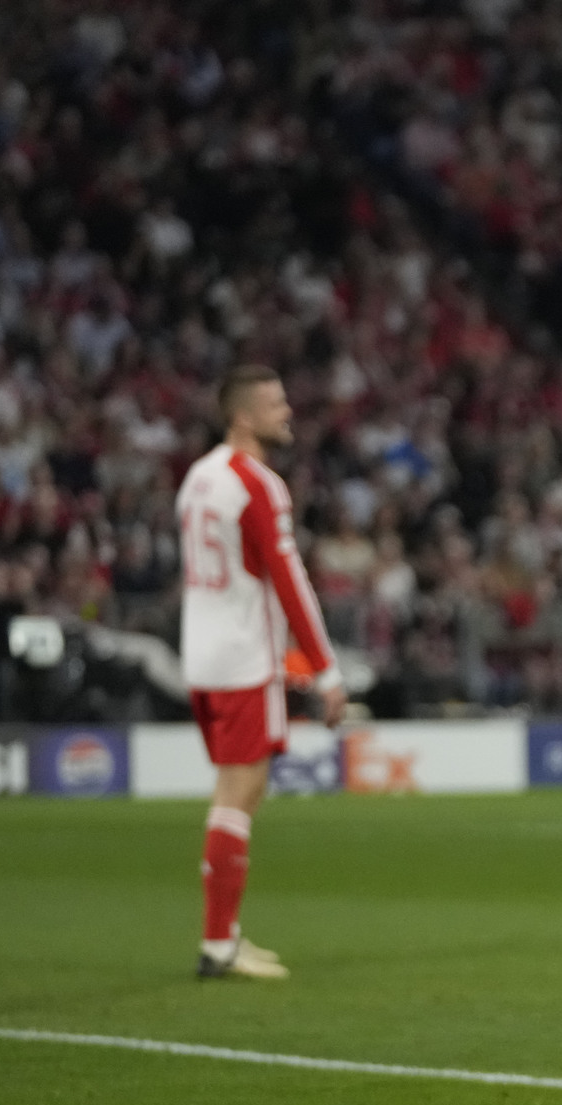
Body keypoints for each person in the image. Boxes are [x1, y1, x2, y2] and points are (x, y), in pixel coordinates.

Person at [176, 366, 346, 980]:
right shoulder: (259, 484)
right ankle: (219, 942)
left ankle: (223, 936)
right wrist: (325, 670)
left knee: (230, 790)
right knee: (241, 793)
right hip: (244, 656)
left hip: (200, 653)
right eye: (276, 404)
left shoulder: (198, 478)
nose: (288, 412)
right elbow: (288, 578)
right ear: (243, 415)